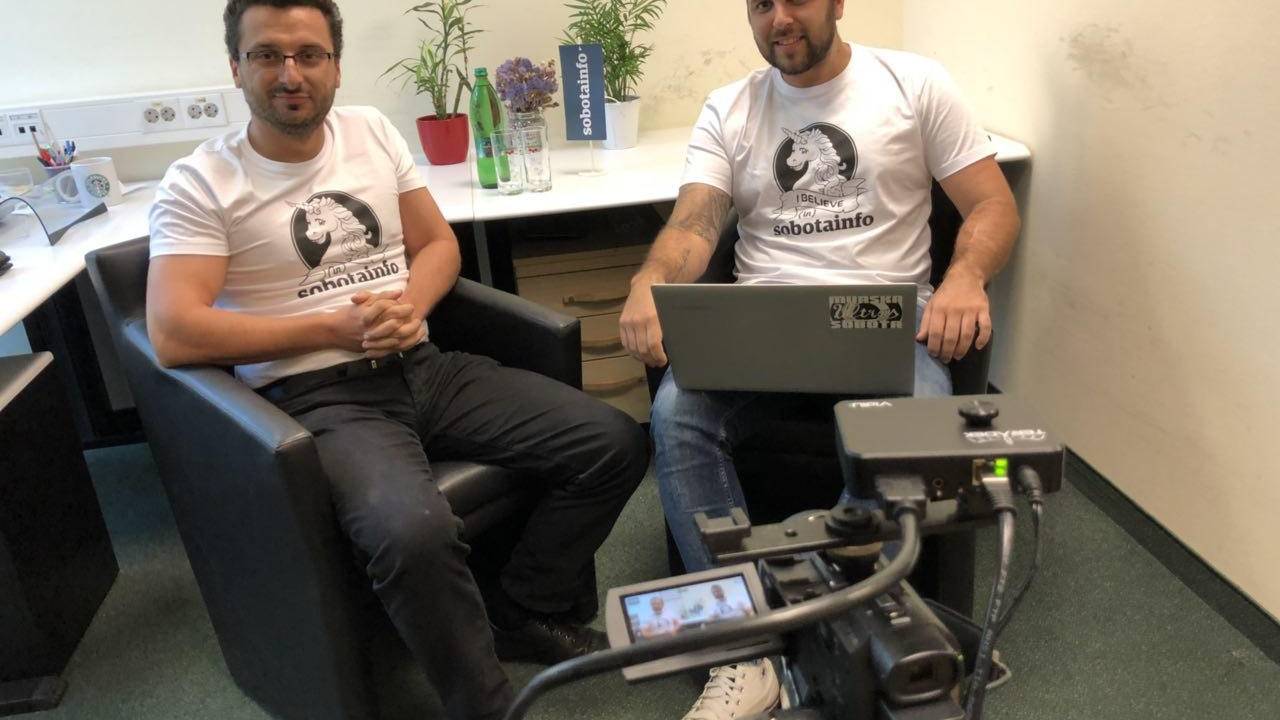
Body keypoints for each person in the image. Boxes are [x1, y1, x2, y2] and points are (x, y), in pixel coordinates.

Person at [146, 2, 649, 718]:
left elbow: (438, 245)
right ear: (236, 67)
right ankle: (485, 707)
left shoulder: (371, 132)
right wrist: (330, 327)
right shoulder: (201, 182)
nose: (290, 73)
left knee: (613, 442)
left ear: (335, 66)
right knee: (413, 534)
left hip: (424, 367)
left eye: (309, 54)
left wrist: (410, 306)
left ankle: (523, 606)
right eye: (266, 55)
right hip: (319, 399)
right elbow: (174, 331)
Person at [619, 1, 1020, 717]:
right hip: (763, 322)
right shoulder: (730, 107)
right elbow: (693, 224)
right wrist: (650, 280)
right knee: (677, 412)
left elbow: (993, 205)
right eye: (761, 4)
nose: (779, 18)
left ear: (837, 2)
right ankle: (745, 651)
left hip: (884, 321)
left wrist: (964, 277)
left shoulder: (914, 84)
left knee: (921, 426)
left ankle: (811, 616)